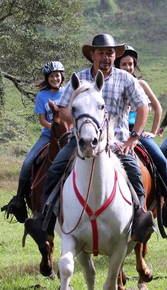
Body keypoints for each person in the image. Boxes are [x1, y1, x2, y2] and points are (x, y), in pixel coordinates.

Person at [23, 33, 157, 252]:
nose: (106, 57)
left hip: (119, 142)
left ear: (115, 55)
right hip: (82, 140)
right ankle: (45, 219)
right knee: (56, 168)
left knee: (135, 169)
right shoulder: (80, 79)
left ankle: (141, 217)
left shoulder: (126, 79)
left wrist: (134, 137)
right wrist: (83, 121)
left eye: (110, 53)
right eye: (101, 53)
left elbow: (143, 107)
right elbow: (64, 110)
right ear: (92, 55)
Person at [114, 45, 167, 228]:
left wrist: (152, 131)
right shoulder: (113, 84)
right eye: (124, 64)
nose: (128, 67)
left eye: (130, 64)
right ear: (117, 65)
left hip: (137, 131)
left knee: (160, 159)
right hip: (118, 132)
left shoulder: (141, 84)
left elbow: (158, 107)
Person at [1, 61, 65, 223]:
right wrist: (54, 128)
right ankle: (19, 198)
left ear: (62, 76)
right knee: (28, 162)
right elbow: (42, 120)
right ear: (47, 78)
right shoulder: (42, 96)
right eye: (51, 76)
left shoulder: (68, 93)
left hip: (66, 135)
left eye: (57, 75)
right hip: (48, 134)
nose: (55, 79)